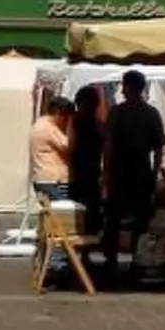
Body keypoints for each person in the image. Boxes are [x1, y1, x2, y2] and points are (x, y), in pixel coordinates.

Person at [100, 70, 165, 287]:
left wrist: (106, 173)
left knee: (113, 218)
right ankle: (137, 262)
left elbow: (108, 146)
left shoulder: (117, 112)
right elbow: (159, 147)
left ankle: (111, 261)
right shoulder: (151, 113)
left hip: (120, 171)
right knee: (140, 219)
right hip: (141, 172)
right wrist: (155, 171)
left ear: (128, 87)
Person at [68, 87, 104, 236]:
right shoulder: (99, 124)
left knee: (77, 211)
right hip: (93, 171)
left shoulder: (74, 121)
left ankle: (78, 246)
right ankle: (87, 246)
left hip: (77, 171)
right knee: (91, 211)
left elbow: (70, 145)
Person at [31, 97, 73, 201]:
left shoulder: (39, 124)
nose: (66, 120)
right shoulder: (49, 128)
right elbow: (68, 146)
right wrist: (70, 128)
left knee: (52, 214)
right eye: (66, 116)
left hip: (43, 178)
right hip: (53, 180)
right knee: (63, 214)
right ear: (59, 112)